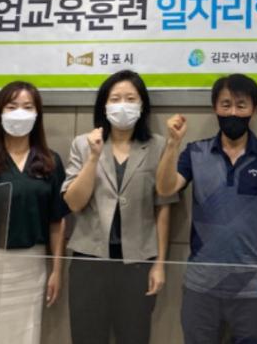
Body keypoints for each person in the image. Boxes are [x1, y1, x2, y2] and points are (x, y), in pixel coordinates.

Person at [156, 73, 257, 344]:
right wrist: (172, 144)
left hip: (253, 286)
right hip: (201, 284)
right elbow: (166, 188)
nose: (233, 112)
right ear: (214, 108)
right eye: (226, 104)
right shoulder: (195, 152)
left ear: (254, 110)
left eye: (241, 105)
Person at [62, 70, 177, 344]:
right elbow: (74, 202)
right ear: (104, 105)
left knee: (134, 336)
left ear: (142, 105)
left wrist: (159, 264)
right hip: (89, 261)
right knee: (87, 337)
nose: (123, 105)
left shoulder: (159, 146)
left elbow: (163, 207)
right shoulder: (83, 144)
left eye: (130, 98)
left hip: (138, 264)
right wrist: (93, 158)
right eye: (115, 99)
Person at [0, 81, 68, 344]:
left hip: (29, 266)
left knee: (23, 336)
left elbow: (56, 221)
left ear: (37, 115)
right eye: (12, 106)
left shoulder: (50, 162)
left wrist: (57, 269)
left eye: (27, 107)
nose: (20, 112)